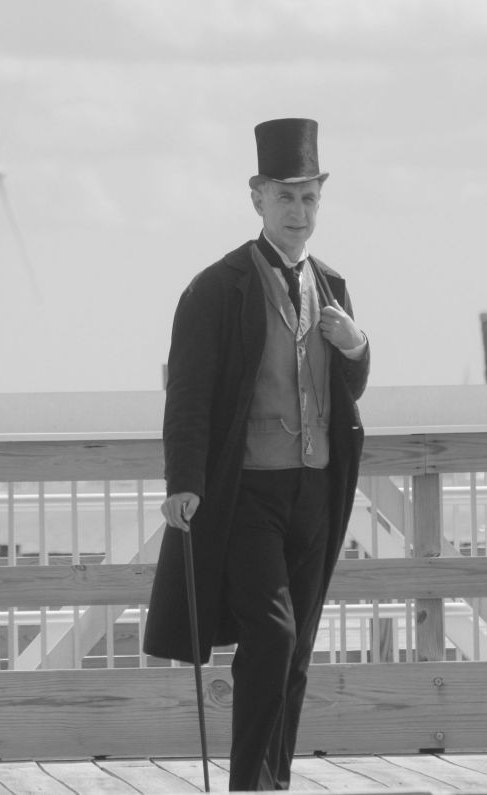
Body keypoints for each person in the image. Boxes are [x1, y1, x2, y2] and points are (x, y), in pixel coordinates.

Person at [143, 117, 370, 791]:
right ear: (257, 197)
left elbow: (346, 391)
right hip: (248, 495)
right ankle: (249, 784)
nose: (299, 212)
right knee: (268, 637)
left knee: (295, 648)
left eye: (309, 198)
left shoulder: (331, 285)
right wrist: (183, 481)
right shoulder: (216, 288)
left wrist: (357, 346)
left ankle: (275, 780)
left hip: (317, 493)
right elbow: (187, 395)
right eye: (286, 198)